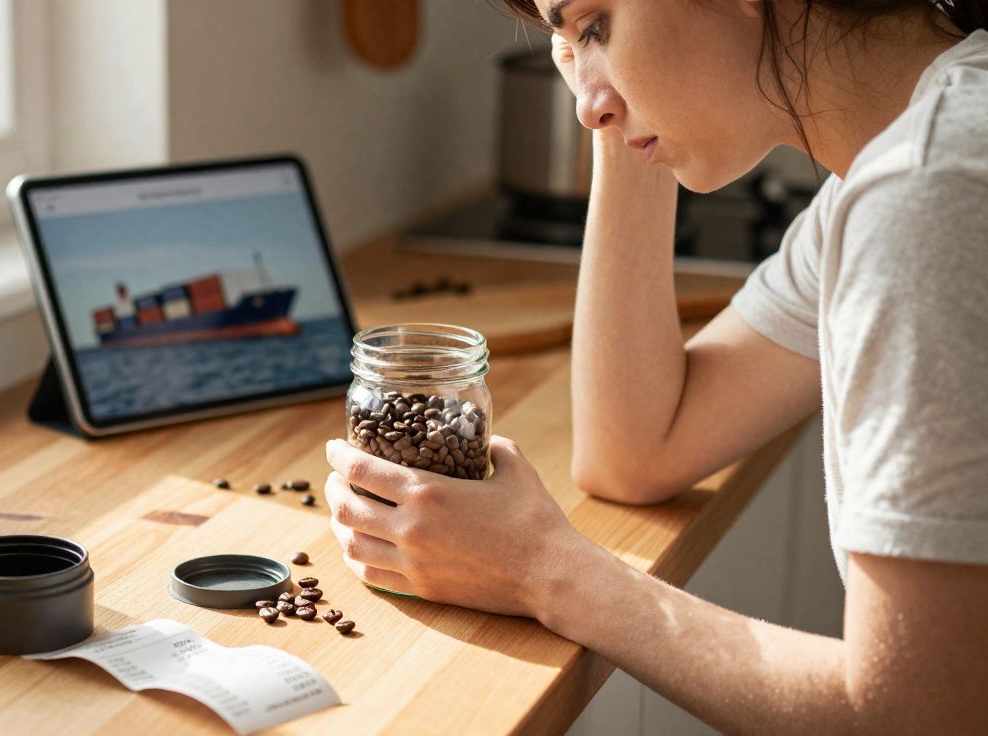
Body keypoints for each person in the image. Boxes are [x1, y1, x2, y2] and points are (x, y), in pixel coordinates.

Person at [322, 0, 988, 731]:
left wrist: (544, 571)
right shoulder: (899, 158)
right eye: (568, 48)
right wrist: (620, 106)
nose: (582, 109)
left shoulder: (930, 190)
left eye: (596, 23)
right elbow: (636, 448)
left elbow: (915, 716)